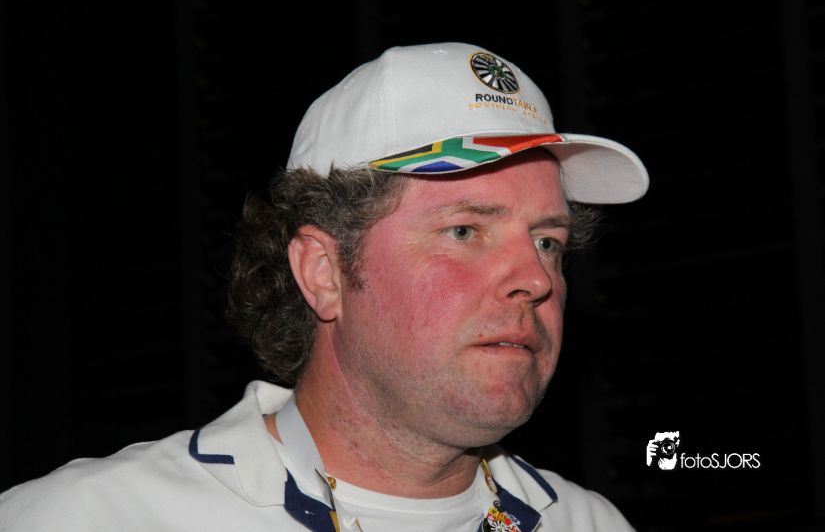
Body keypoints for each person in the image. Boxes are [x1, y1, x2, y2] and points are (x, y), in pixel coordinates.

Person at [0, 42, 648, 531]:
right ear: (323, 272)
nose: (535, 278)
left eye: (547, 241)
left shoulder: (588, 523)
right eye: (463, 231)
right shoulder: (92, 518)